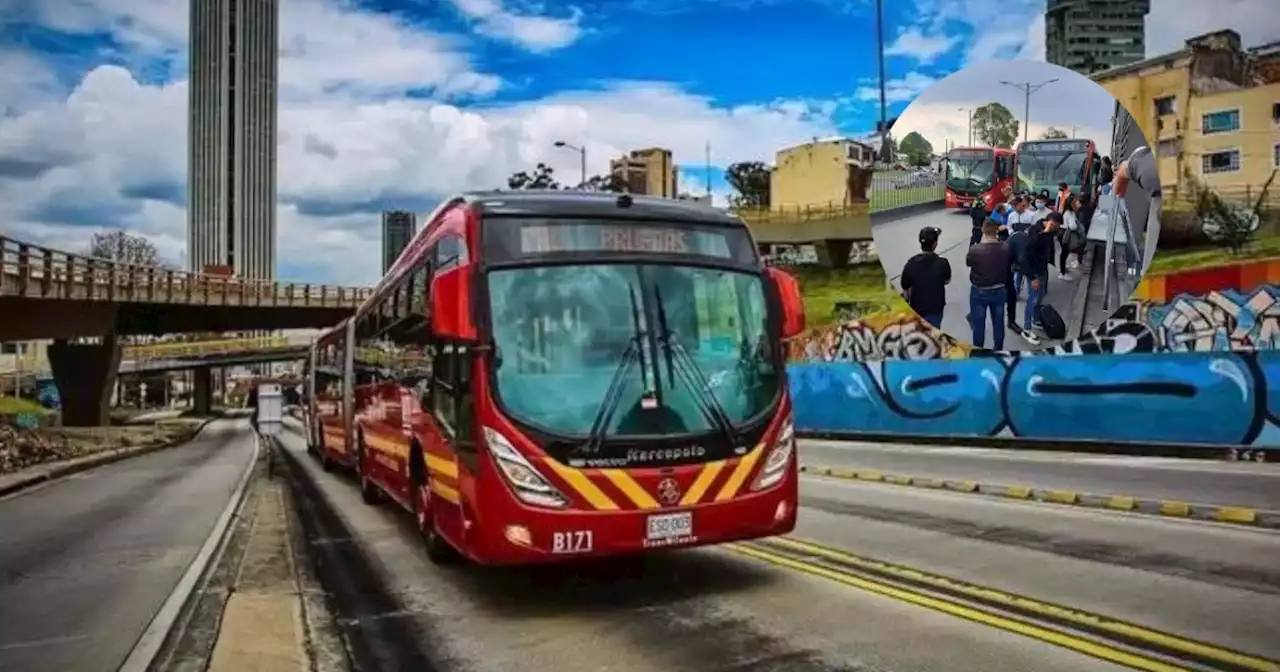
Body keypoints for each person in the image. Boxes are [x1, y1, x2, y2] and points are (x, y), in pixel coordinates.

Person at [1016, 211, 1062, 340]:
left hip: (1042, 269)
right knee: (1033, 299)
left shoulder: (1050, 232)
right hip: (1034, 271)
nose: (1056, 229)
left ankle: (1036, 319)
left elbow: (1048, 248)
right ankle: (1027, 328)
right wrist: (1032, 277)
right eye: (1056, 226)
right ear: (1051, 223)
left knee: (1041, 296)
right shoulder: (1034, 231)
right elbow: (1028, 252)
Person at [966, 219, 1010, 350]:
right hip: (999, 290)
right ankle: (998, 349)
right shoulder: (1005, 247)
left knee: (978, 324)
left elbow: (969, 263)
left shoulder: (975, 249)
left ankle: (979, 351)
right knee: (999, 323)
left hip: (979, 291)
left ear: (983, 230)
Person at [901, 226, 951, 329]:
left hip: (917, 310)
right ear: (935, 244)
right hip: (935, 310)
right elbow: (947, 280)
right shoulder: (943, 263)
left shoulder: (910, 264)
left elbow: (905, 286)